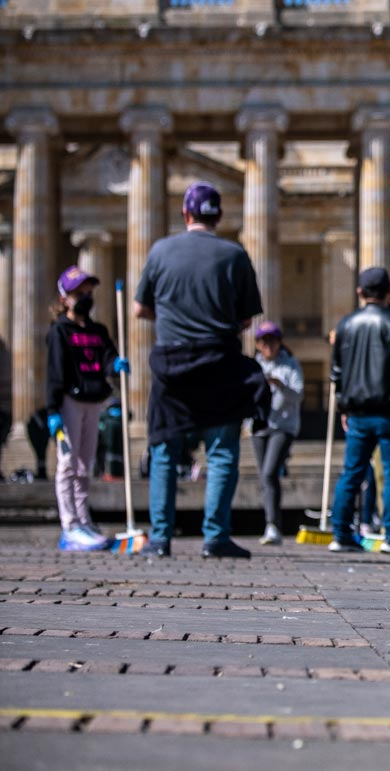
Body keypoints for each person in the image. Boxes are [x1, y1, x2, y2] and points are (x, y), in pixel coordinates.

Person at [133, 181, 269, 559]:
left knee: (164, 450)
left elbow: (139, 309)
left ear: (186, 214)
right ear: (218, 216)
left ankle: (160, 539)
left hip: (171, 364)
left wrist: (174, 317)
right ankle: (216, 536)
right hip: (219, 361)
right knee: (222, 451)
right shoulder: (234, 255)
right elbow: (246, 319)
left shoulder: (161, 250)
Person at [328, 267, 390, 555]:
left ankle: (340, 533)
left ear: (360, 293)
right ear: (388, 293)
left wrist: (342, 407)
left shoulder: (347, 325)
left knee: (352, 473)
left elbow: (336, 373)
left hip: (358, 411)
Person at [46, 265, 127, 551]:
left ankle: (83, 518)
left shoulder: (98, 330)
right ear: (65, 297)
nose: (85, 297)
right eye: (79, 293)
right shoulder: (59, 332)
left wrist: (115, 365)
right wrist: (52, 410)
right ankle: (70, 526)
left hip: (94, 400)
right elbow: (55, 372)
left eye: (88, 292)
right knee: (67, 465)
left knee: (85, 464)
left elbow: (107, 357)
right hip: (69, 401)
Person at [251, 321, 302, 546]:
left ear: (280, 342)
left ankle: (273, 524)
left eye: (272, 340)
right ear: (258, 344)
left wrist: (280, 385)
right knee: (265, 476)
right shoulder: (253, 366)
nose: (268, 345)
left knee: (270, 473)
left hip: (283, 426)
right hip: (259, 426)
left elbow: (298, 396)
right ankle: (271, 523)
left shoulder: (290, 365)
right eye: (264, 341)